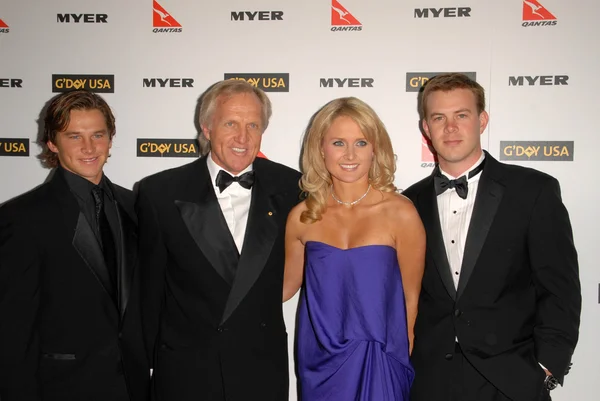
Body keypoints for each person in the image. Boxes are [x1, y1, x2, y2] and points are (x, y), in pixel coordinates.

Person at [403, 73, 581, 401]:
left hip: (512, 380)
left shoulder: (533, 191)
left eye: (462, 115)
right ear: (426, 128)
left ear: (482, 120)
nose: (450, 127)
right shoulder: (407, 203)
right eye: (439, 118)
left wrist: (546, 367)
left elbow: (560, 289)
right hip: (430, 381)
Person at [136, 79, 301, 401]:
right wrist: (144, 364)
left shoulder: (293, 187)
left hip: (260, 369)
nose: (243, 137)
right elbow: (148, 290)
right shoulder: (159, 192)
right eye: (231, 124)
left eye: (253, 125)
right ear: (207, 127)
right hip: (186, 370)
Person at [0, 90, 149, 401]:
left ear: (110, 138)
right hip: (61, 387)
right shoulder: (22, 217)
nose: (89, 147)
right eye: (74, 136)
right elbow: (13, 331)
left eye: (98, 134)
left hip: (132, 387)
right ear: (52, 143)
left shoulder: (136, 207)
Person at [283, 97, 425, 401]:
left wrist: (404, 345)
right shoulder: (302, 216)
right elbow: (283, 288)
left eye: (361, 142)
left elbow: (412, 296)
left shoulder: (401, 213)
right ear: (320, 148)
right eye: (338, 142)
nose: (350, 154)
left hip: (381, 355)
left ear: (375, 148)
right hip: (320, 360)